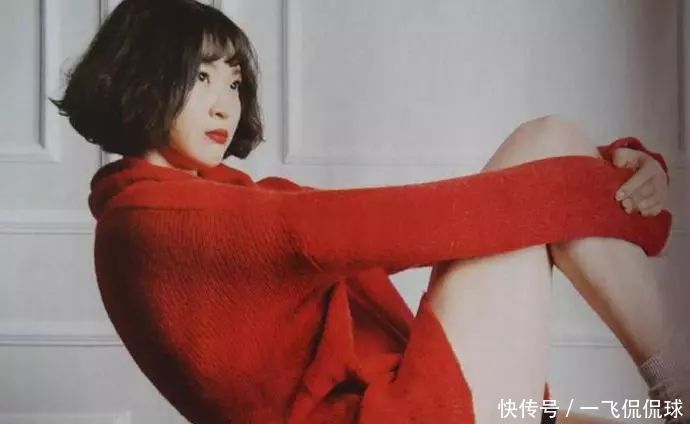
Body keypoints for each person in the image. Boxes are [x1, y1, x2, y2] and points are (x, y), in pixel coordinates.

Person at [51, 0, 687, 423]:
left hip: (415, 403)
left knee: (606, 416)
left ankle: (668, 398)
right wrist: (622, 195)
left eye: (235, 82)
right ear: (141, 75)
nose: (226, 104)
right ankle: (678, 388)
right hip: (408, 415)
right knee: (547, 140)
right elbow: (431, 222)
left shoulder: (213, 204)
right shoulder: (162, 222)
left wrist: (619, 169)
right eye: (201, 77)